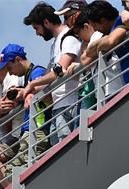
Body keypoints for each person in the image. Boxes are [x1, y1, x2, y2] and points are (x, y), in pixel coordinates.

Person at [22, 2, 82, 144]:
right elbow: (48, 76)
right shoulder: (56, 43)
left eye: (36, 28)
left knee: (68, 148)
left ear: (46, 22)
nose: (37, 33)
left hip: (71, 102)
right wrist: (28, 92)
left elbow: (58, 70)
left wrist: (32, 84)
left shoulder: (69, 37)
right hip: (59, 104)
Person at [0, 43, 50, 171]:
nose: (10, 73)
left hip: (37, 129)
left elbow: (42, 88)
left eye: (9, 68)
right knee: (14, 171)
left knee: (13, 172)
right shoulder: (27, 78)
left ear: (18, 60)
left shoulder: (36, 72)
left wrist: (26, 92)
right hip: (31, 129)